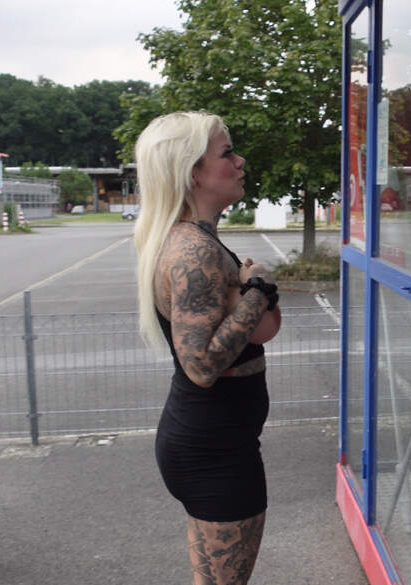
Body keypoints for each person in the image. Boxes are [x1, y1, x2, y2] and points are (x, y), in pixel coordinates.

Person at [133, 111, 281, 585]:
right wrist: (259, 288)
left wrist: (254, 292)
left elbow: (253, 333)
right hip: (216, 453)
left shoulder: (194, 240)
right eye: (226, 153)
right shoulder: (192, 250)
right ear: (192, 171)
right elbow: (200, 365)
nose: (240, 162)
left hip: (216, 444)